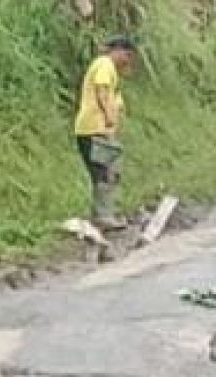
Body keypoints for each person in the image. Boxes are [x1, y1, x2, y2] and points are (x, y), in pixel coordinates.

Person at [74, 35, 135, 231]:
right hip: (94, 129)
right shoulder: (104, 64)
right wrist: (109, 116)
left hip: (95, 129)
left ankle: (102, 214)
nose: (128, 60)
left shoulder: (109, 69)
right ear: (117, 51)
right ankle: (102, 216)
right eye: (127, 55)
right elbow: (101, 91)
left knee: (106, 171)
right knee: (106, 171)